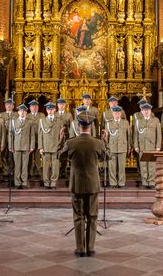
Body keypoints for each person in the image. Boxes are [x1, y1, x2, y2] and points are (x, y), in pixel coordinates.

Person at [60, 111, 107, 257]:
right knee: (92, 216)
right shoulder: (97, 143)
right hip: (93, 185)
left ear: (78, 126)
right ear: (91, 126)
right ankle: (90, 248)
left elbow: (59, 156)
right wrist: (105, 140)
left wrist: (61, 139)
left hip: (77, 185)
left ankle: (80, 249)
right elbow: (107, 157)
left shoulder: (71, 142)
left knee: (78, 216)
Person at [133, 103, 161, 189]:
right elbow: (135, 134)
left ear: (150, 111)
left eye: (148, 110)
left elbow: (158, 134)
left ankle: (151, 182)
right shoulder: (138, 121)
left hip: (152, 146)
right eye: (144, 110)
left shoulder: (155, 120)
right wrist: (136, 145)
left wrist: (158, 146)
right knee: (143, 165)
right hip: (142, 146)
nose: (146, 112)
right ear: (142, 111)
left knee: (152, 165)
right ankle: (145, 182)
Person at [38, 102, 65, 189]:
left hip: (56, 146)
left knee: (55, 165)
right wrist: (41, 147)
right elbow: (40, 135)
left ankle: (53, 182)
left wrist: (61, 146)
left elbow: (62, 135)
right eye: (48, 109)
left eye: (52, 109)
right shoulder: (42, 121)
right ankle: (46, 182)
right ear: (46, 110)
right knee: (45, 166)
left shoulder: (59, 120)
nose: (50, 111)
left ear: (55, 110)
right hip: (45, 146)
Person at [103, 106, 131, 188]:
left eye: (119, 113)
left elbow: (128, 135)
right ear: (113, 114)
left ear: (121, 113)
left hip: (122, 147)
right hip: (112, 147)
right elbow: (106, 137)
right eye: (115, 113)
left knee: (122, 167)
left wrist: (129, 147)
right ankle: (113, 183)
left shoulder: (125, 122)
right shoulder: (108, 123)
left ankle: (121, 183)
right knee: (112, 167)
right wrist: (106, 147)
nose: (117, 115)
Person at [9, 104, 35, 188]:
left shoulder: (29, 122)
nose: (22, 112)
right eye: (20, 111)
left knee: (24, 165)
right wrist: (11, 146)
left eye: (24, 111)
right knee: (17, 165)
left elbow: (32, 135)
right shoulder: (13, 122)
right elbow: (11, 135)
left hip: (26, 146)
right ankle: (17, 182)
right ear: (18, 112)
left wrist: (32, 146)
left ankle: (24, 182)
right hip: (16, 146)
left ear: (26, 112)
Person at [0, 99, 16, 180]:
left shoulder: (16, 114)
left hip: (14, 138)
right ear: (5, 106)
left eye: (10, 104)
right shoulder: (1, 115)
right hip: (4, 138)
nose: (9, 106)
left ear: (13, 106)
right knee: (4, 155)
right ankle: (5, 170)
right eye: (7, 104)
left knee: (12, 155)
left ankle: (12, 170)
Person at [27, 99, 45, 178]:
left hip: (38, 139)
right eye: (32, 106)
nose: (34, 108)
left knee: (38, 156)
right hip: (29, 140)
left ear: (38, 107)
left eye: (35, 106)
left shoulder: (42, 115)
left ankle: (38, 172)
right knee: (30, 157)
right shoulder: (27, 116)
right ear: (30, 108)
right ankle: (30, 172)